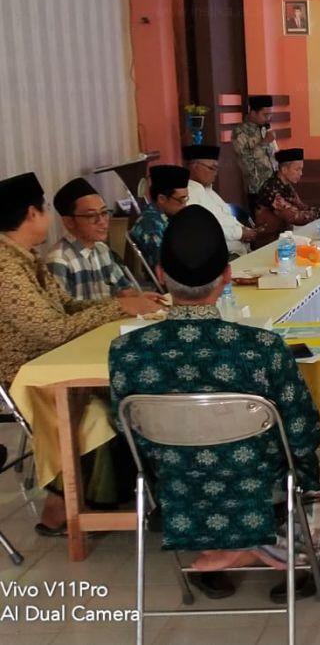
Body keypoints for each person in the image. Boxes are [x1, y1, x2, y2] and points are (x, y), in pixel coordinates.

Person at [110, 206, 320, 602]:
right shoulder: (261, 348)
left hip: (177, 486)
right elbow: (303, 433)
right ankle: (290, 558)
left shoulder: (126, 351)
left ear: (160, 274)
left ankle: (226, 549)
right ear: (227, 276)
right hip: (262, 487)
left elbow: (124, 427)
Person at [0, 172, 159, 534]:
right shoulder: (6, 269)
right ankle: (76, 506)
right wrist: (118, 308)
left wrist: (123, 303)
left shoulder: (27, 258)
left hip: (55, 360)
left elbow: (68, 307)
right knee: (102, 407)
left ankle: (114, 495)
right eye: (44, 210)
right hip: (29, 374)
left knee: (122, 392)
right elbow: (52, 330)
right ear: (31, 214)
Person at [45, 177, 142, 301]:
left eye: (104, 212)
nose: (102, 221)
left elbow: (124, 290)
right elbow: (61, 311)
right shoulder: (59, 260)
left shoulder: (102, 249)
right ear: (69, 222)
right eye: (91, 215)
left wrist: (141, 297)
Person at [253, 149, 320, 247]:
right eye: (297, 169)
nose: (301, 173)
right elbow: (295, 217)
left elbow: (302, 207)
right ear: (284, 170)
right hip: (269, 242)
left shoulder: (286, 185)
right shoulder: (271, 189)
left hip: (285, 238)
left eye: (301, 169)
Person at [182, 144, 257, 257]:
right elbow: (204, 229)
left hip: (241, 250)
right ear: (194, 167)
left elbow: (226, 218)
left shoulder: (209, 191)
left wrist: (245, 230)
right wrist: (240, 233)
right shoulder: (189, 193)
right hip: (223, 256)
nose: (215, 173)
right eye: (212, 168)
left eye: (217, 169)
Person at [128, 165, 189, 271]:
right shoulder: (150, 225)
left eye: (186, 199)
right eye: (181, 200)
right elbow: (167, 267)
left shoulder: (170, 216)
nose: (185, 205)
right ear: (161, 199)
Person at [231, 95, 279, 204]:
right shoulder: (240, 132)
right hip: (257, 188)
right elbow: (245, 160)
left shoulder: (265, 128)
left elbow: (273, 155)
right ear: (253, 113)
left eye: (270, 114)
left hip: (274, 185)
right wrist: (264, 142)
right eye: (265, 115)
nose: (268, 118)